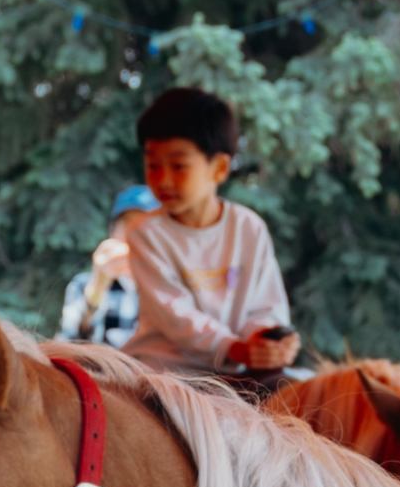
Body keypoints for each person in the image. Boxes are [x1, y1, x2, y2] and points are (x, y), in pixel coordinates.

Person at [121, 89, 300, 378]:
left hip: (235, 373)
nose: (163, 179)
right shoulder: (145, 233)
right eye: (153, 165)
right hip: (163, 374)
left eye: (178, 166)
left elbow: (266, 306)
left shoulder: (248, 227)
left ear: (219, 168)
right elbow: (176, 317)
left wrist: (268, 340)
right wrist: (232, 348)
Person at [60, 184, 155, 347]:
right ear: (113, 232)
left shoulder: (173, 289)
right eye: (129, 225)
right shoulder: (83, 286)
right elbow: (68, 346)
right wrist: (97, 288)